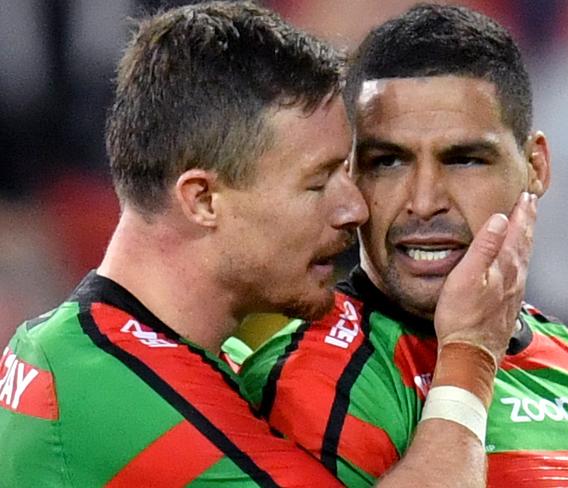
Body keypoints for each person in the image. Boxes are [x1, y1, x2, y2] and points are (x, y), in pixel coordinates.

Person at [0, 2, 536, 486]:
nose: (354, 208)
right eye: (319, 181)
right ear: (204, 199)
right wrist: (470, 353)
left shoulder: (108, 352)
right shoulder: (112, 390)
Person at [239, 4, 568, 487]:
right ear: (349, 174)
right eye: (388, 162)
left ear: (535, 167)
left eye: (465, 160)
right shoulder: (310, 380)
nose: (424, 202)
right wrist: (469, 358)